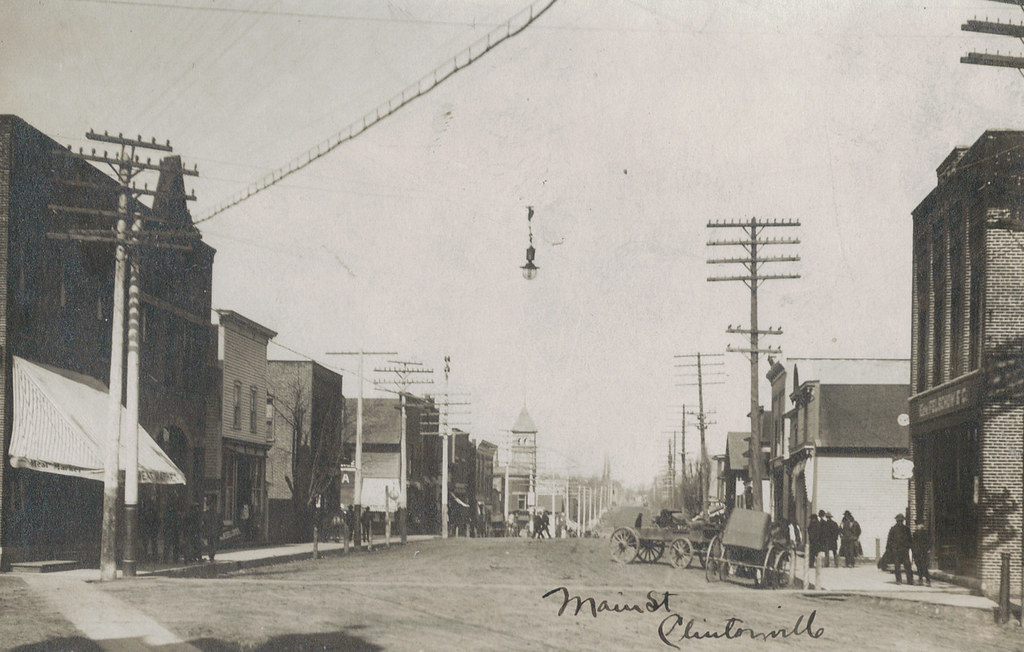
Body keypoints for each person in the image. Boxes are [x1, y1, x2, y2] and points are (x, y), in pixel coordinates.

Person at [886, 513, 913, 585]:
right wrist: (890, 549)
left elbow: (910, 539)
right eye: (899, 521)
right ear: (896, 521)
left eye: (901, 521)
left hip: (904, 550)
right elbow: (889, 540)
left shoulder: (906, 529)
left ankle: (910, 580)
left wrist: (909, 546)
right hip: (896, 550)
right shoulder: (893, 529)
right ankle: (898, 580)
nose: (900, 522)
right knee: (897, 566)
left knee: (907, 565)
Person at [202, 496, 221, 563]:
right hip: (212, 531)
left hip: (212, 531)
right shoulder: (214, 514)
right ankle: (211, 556)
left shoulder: (212, 514)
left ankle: (211, 556)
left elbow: (220, 523)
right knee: (212, 544)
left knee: (211, 544)